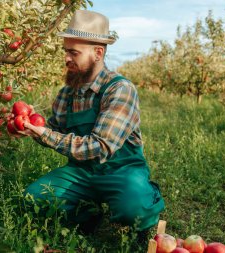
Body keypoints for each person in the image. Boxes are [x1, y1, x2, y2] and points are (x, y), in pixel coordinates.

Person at [19, 9, 165, 238]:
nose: (67, 58)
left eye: (73, 52)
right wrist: (31, 128)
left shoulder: (119, 89)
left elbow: (100, 147)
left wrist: (45, 134)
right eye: (66, 51)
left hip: (121, 171)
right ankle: (88, 213)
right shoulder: (67, 93)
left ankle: (148, 201)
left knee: (133, 208)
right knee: (33, 197)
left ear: (98, 53)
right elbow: (54, 131)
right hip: (82, 172)